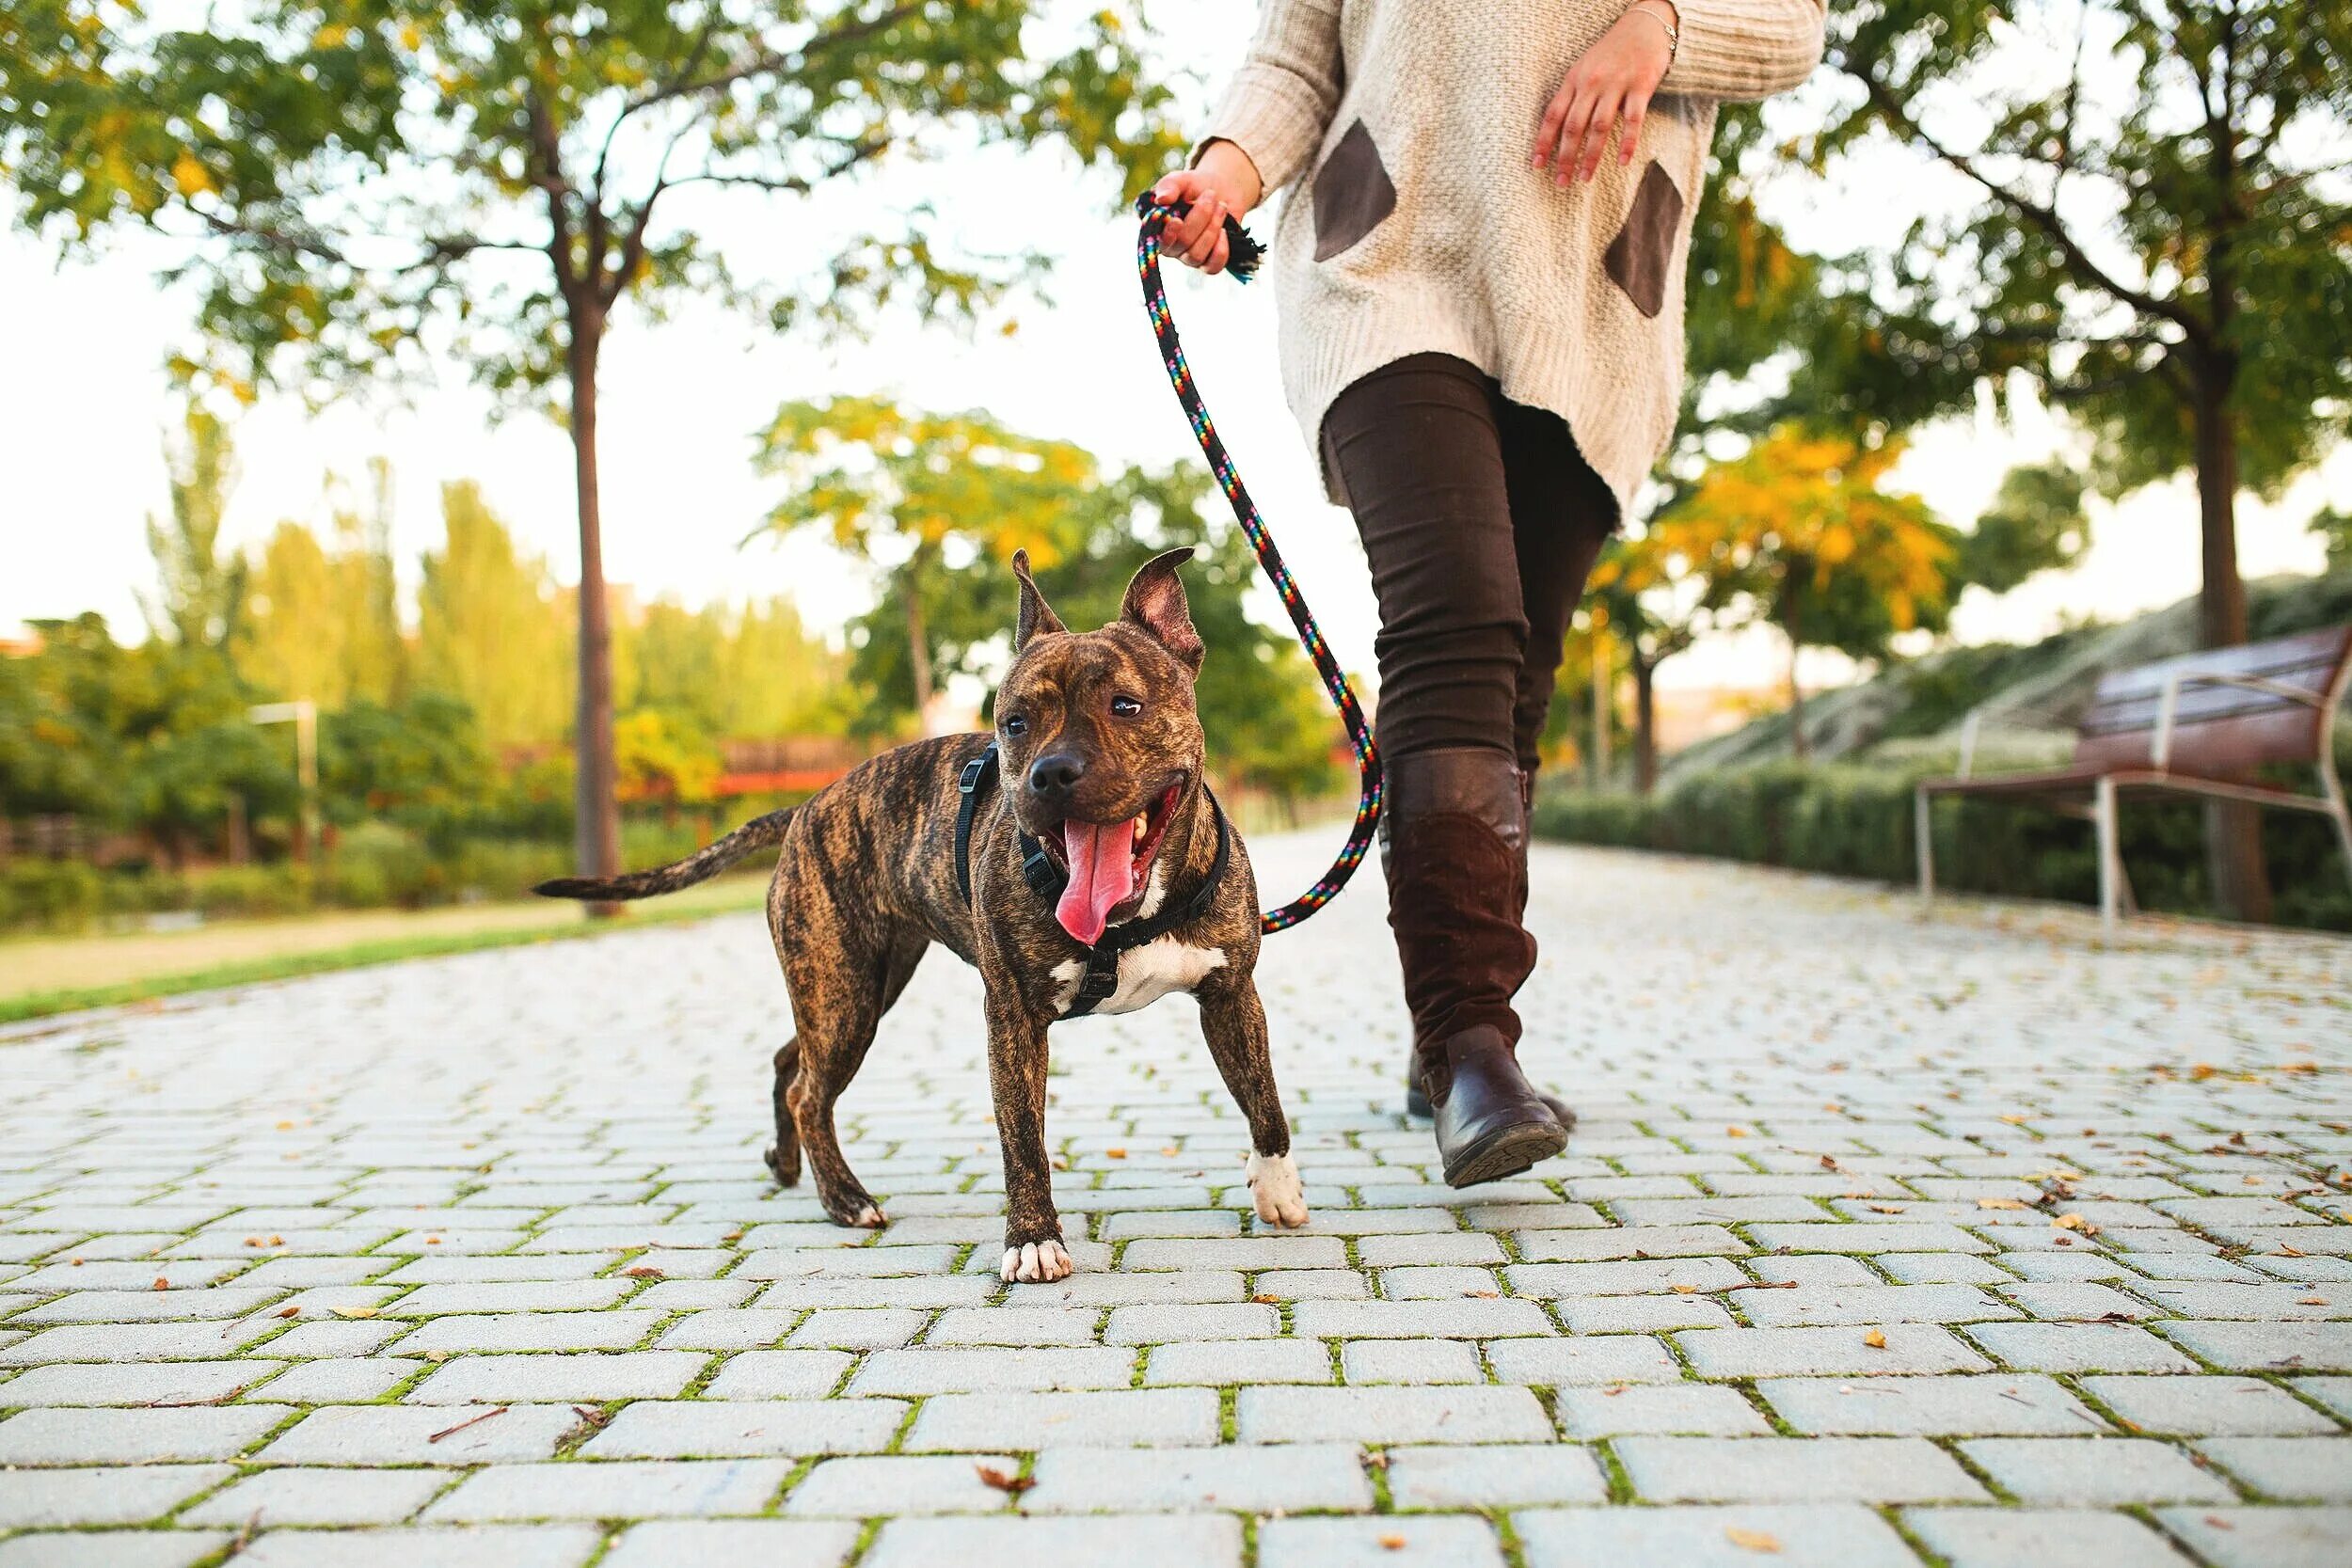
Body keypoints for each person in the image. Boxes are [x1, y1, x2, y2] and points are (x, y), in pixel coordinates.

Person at [1153, 1, 1824, 1186]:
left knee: (1516, 671)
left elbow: (1791, 22)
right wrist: (1224, 172)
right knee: (1457, 612)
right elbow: (1297, 50)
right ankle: (1472, 1039)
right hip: (1389, 256)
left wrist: (1660, 29)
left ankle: (1445, 1043)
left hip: (1594, 275)